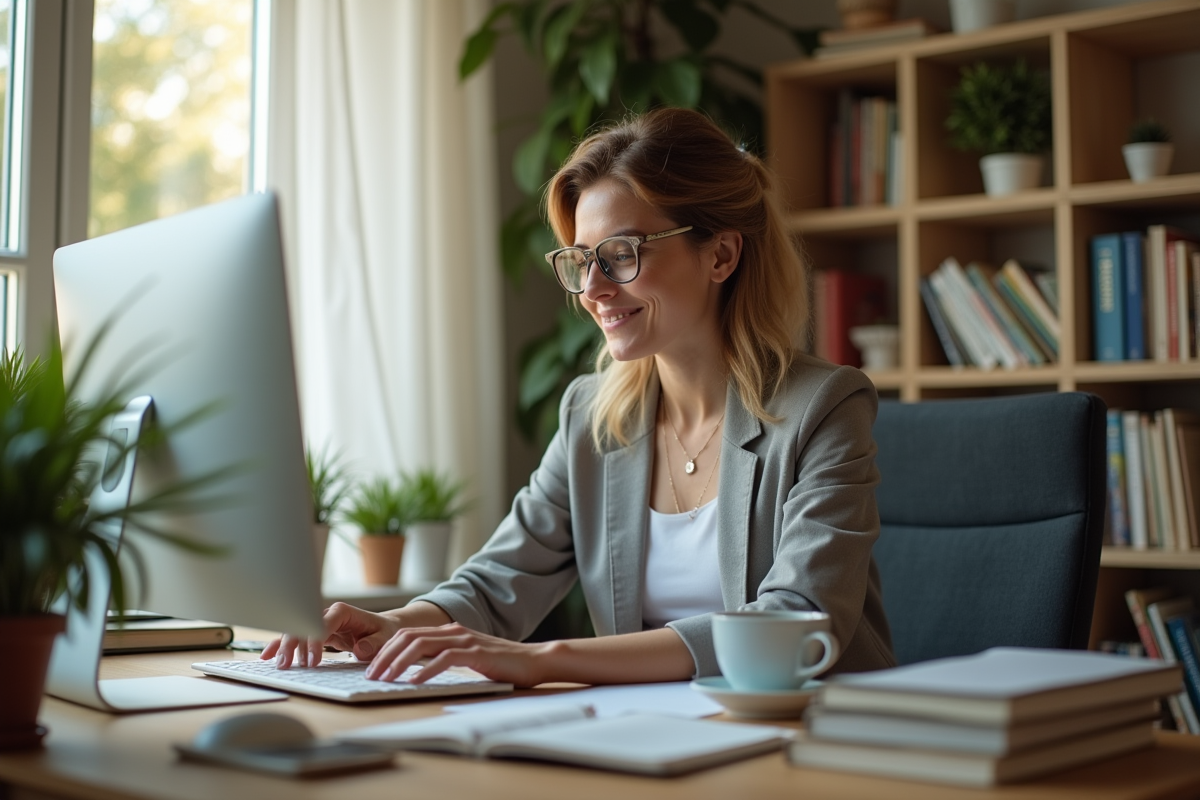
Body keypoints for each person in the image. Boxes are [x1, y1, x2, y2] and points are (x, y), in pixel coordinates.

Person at [263, 107, 895, 686]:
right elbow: (497, 583)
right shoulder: (593, 416)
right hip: (650, 737)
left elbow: (797, 618)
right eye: (581, 259)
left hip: (809, 738)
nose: (592, 288)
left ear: (722, 255)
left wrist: (546, 658)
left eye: (621, 254)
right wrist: (398, 623)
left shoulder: (823, 408)